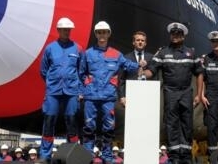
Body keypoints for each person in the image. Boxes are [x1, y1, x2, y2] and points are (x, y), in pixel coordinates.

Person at [80, 21, 145, 163]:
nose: (102, 35)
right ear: (96, 34)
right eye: (99, 32)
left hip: (108, 97)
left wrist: (139, 64)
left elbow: (128, 65)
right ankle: (87, 155)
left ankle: (107, 155)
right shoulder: (88, 54)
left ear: (109, 34)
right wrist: (82, 90)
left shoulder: (116, 54)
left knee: (108, 127)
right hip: (91, 96)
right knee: (89, 126)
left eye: (104, 32)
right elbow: (81, 73)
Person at [144, 22, 204, 164]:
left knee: (186, 123)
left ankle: (186, 155)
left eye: (178, 34)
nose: (175, 36)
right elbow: (151, 70)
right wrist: (142, 73)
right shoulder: (163, 52)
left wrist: (199, 94)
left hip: (186, 92)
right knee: (171, 124)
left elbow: (200, 73)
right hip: (170, 92)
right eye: (173, 34)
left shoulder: (191, 53)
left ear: (183, 36)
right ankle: (175, 155)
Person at [40, 17, 84, 160]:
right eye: (63, 29)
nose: (66, 32)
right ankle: (45, 156)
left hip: (71, 91)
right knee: (49, 121)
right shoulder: (50, 48)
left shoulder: (77, 48)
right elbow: (43, 70)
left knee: (71, 121)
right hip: (53, 91)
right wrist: (52, 81)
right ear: (58, 30)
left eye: (68, 30)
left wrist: (79, 90)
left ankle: (72, 155)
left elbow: (81, 71)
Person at [118, 31, 154, 107]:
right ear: (133, 42)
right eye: (138, 40)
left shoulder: (151, 58)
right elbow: (121, 79)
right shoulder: (126, 58)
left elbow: (155, 77)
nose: (140, 42)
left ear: (145, 43)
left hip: (148, 94)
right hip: (131, 94)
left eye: (142, 40)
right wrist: (122, 96)